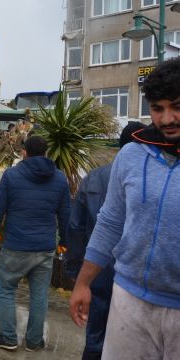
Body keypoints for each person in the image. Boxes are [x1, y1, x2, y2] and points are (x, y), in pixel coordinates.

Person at [69, 58, 180, 360]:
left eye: (176, 106)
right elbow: (110, 222)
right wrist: (83, 283)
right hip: (128, 300)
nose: (167, 118)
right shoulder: (131, 155)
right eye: (158, 109)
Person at [64, 122, 145, 360]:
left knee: (96, 337)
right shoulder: (150, 179)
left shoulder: (93, 178)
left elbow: (76, 227)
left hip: (98, 270)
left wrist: (76, 271)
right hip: (134, 276)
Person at [0, 135, 71, 352]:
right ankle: (33, 341)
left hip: (16, 246)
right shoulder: (59, 178)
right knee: (39, 295)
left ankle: (9, 337)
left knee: (6, 289)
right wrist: (65, 242)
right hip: (45, 247)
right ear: (47, 153)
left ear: (24, 153)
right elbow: (66, 214)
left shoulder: (12, 175)